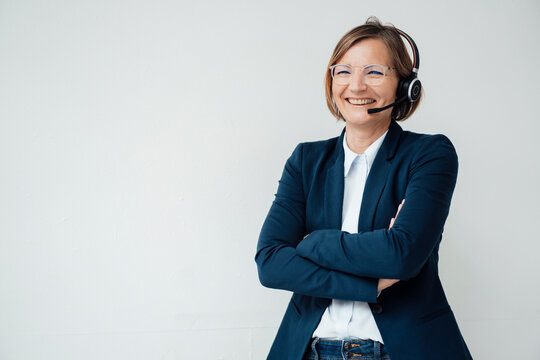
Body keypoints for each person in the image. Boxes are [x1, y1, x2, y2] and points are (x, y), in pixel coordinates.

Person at [255, 17, 473, 360]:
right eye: (343, 71)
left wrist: (313, 242)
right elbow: (270, 263)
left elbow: (401, 255)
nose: (356, 86)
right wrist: (371, 282)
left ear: (404, 86)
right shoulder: (305, 160)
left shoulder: (430, 154)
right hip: (307, 350)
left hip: (400, 350)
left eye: (374, 72)